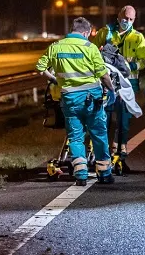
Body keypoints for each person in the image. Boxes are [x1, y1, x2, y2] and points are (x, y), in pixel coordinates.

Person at [36, 17, 116, 186]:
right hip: (91, 100)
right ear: (86, 32)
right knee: (98, 135)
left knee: (75, 137)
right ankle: (104, 173)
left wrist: (56, 80)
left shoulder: (56, 47)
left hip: (69, 100)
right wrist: (111, 89)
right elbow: (103, 74)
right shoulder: (90, 48)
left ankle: (80, 174)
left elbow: (40, 68)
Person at [92, 5, 145, 158]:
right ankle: (105, 151)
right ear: (118, 17)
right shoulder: (105, 33)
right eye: (125, 18)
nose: (127, 21)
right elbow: (92, 54)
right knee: (105, 119)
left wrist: (130, 67)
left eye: (130, 19)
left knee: (124, 120)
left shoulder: (138, 37)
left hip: (129, 84)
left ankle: (121, 151)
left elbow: (144, 60)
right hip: (106, 84)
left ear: (134, 20)